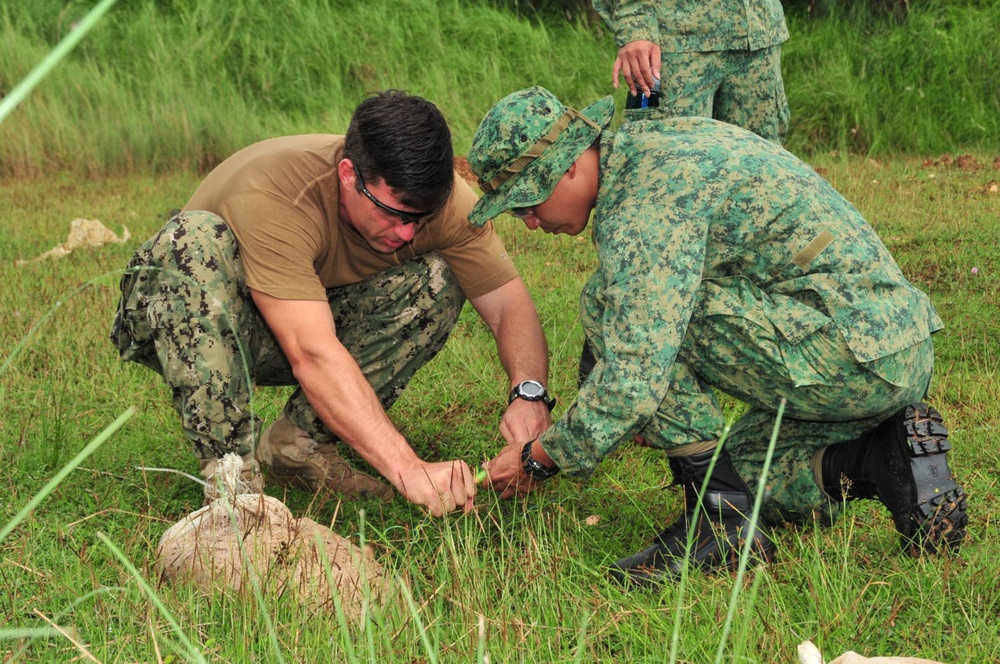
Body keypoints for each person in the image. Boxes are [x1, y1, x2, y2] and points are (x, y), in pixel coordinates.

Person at [467, 87, 968, 584]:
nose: (530, 223)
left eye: (527, 203)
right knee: (744, 473)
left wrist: (540, 459)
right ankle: (882, 457)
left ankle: (719, 525)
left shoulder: (645, 205)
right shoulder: (655, 148)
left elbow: (635, 376)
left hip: (845, 350)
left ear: (571, 164)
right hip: (893, 350)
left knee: (609, 303)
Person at [110, 90, 555, 517]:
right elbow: (311, 352)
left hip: (303, 316)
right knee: (193, 239)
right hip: (193, 324)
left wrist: (529, 393)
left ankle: (296, 449)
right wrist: (409, 469)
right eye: (394, 214)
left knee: (438, 275)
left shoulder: (441, 203)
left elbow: (508, 305)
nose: (406, 233)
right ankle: (233, 482)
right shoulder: (274, 193)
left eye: (421, 218)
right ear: (348, 176)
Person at [592, 0, 790, 144]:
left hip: (758, 35)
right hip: (676, 40)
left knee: (759, 168)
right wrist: (636, 26)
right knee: (667, 167)